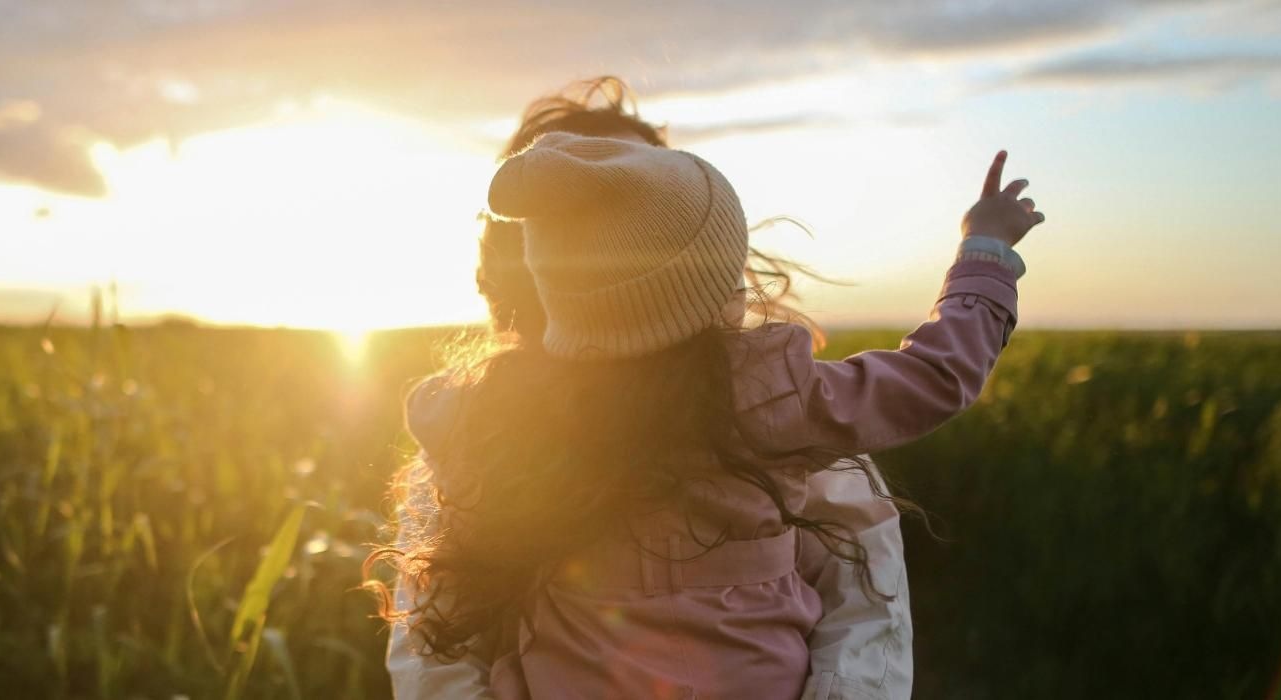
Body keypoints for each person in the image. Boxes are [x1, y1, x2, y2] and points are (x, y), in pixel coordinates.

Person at [373, 78, 1041, 699]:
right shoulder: (775, 398)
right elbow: (935, 376)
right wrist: (984, 252)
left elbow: (864, 622)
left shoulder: (488, 415)